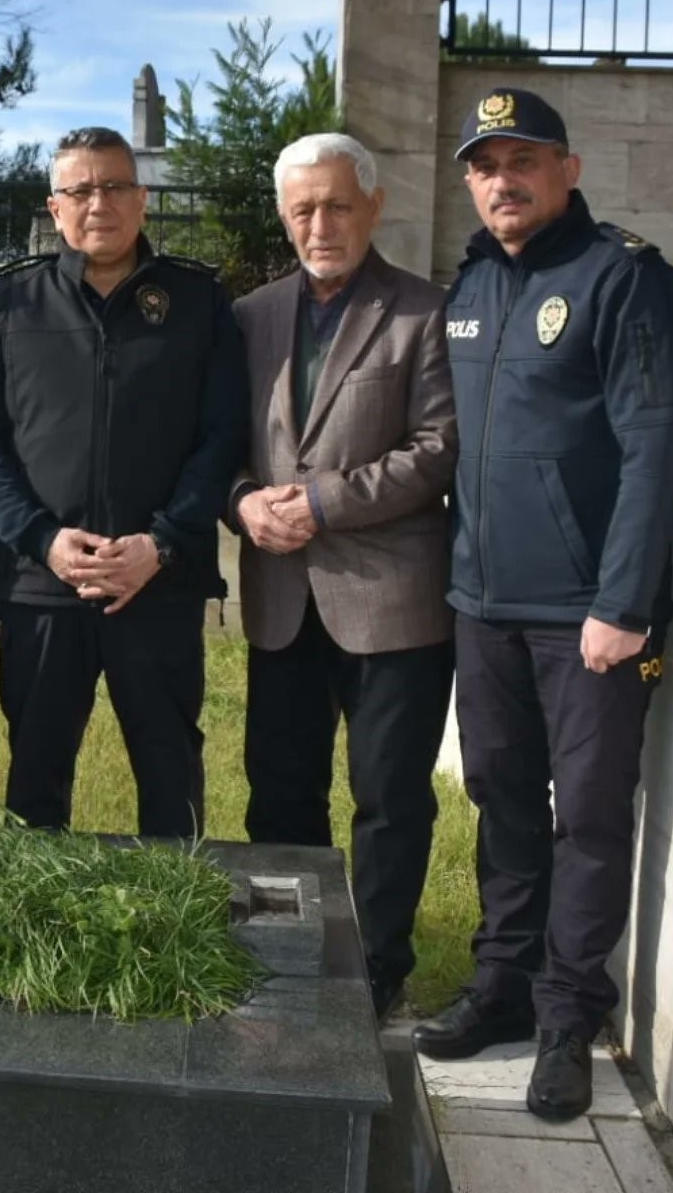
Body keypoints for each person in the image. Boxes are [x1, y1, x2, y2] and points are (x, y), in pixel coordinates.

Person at [412, 88, 673, 1122]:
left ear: (567, 169)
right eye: (484, 165)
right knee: (498, 799)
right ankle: (503, 984)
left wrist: (623, 603)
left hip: (590, 618)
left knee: (585, 819)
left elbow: (656, 447)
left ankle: (570, 1017)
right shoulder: (474, 282)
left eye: (523, 158)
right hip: (483, 605)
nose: (502, 179)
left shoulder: (624, 279)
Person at [0, 126, 248, 839]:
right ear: (55, 209)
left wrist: (162, 543)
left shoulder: (198, 301)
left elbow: (223, 437)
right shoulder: (13, 303)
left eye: (115, 186)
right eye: (80, 190)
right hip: (42, 588)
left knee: (170, 778)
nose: (99, 203)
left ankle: (170, 935)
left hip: (158, 584)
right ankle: (37, 938)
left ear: (142, 200)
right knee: (35, 783)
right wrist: (42, 538)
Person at [230, 132, 457, 1021]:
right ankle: (285, 958)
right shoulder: (249, 317)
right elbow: (219, 444)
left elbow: (438, 451)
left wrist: (322, 503)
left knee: (389, 799)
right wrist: (243, 500)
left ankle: (376, 974)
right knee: (279, 790)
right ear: (284, 217)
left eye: (335, 206)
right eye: (302, 210)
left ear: (373, 206)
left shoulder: (426, 312)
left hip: (392, 603)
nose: (319, 224)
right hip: (281, 599)